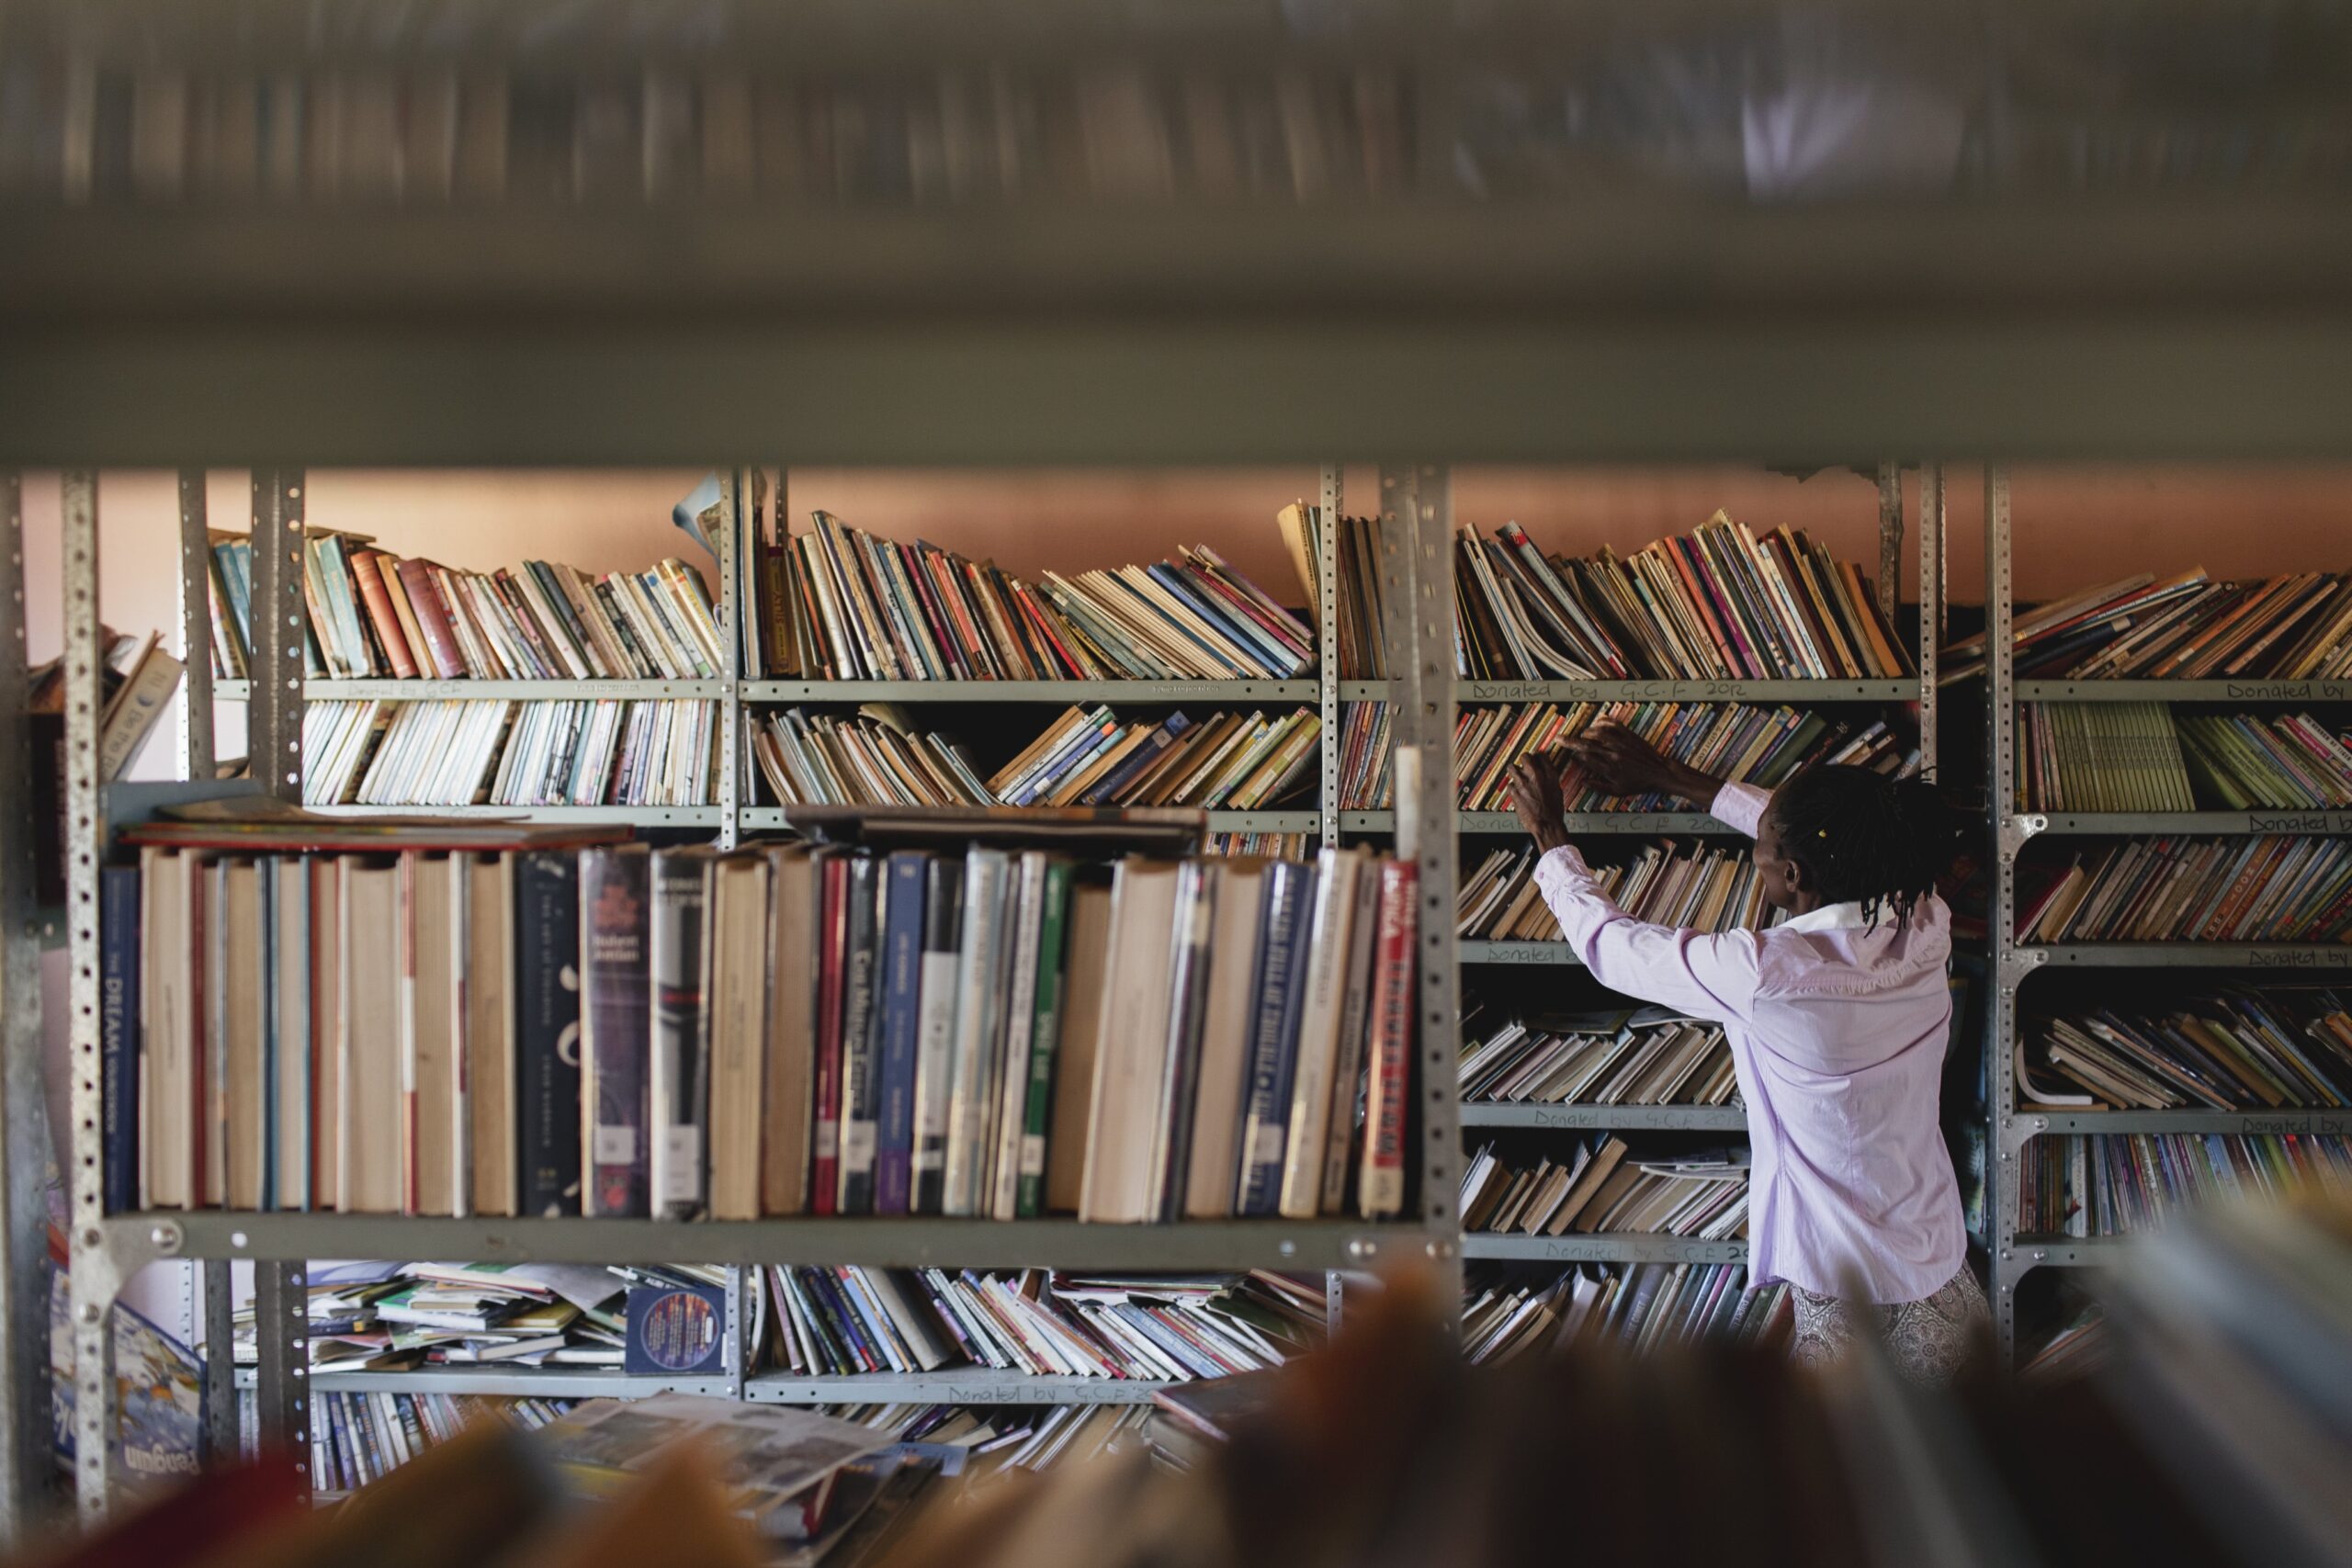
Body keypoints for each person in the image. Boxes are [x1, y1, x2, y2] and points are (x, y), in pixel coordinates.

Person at [1509, 727, 1984, 1383]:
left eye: (1762, 845)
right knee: (1959, 1440)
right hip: (1938, 1255)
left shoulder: (1765, 973)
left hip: (1845, 1289)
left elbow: (1615, 949)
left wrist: (1551, 837)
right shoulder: (1926, 920)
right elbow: (1819, 831)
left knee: (1846, 1449)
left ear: (1792, 875)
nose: (1755, 846)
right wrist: (1671, 777)